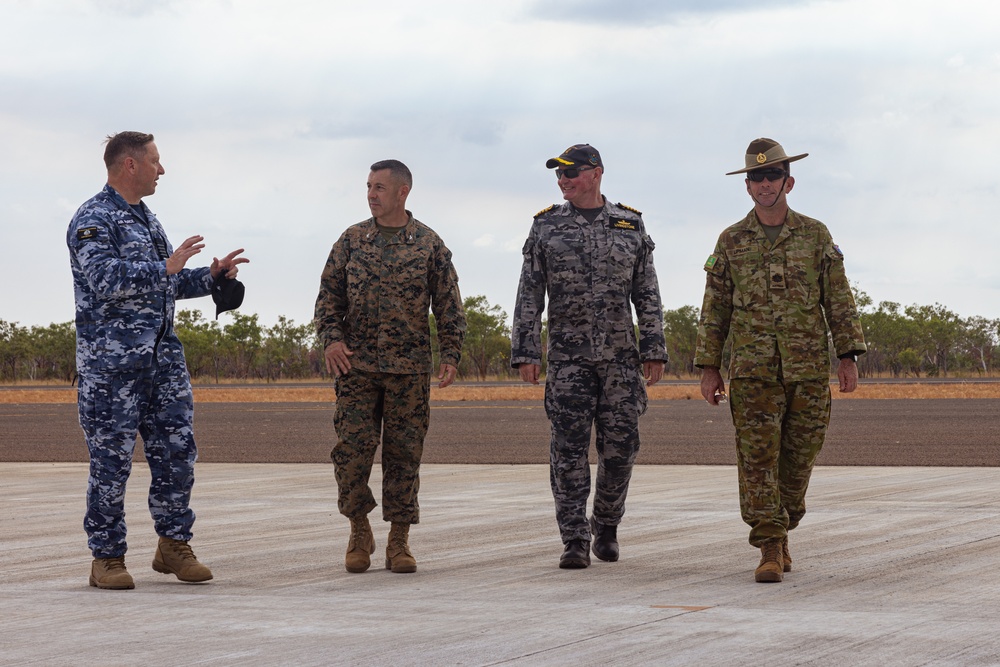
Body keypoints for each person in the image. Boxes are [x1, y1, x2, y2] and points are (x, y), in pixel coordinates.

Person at [67, 131, 248, 590]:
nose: (161, 170)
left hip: (163, 364)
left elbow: (163, 285)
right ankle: (106, 557)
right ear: (130, 165)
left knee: (177, 455)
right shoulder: (93, 219)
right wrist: (164, 268)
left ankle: (173, 545)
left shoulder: (147, 220)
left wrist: (208, 276)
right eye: (155, 161)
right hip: (113, 370)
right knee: (111, 464)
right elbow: (106, 280)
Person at [695, 138, 867, 583]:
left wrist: (846, 356)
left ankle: (785, 523)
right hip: (752, 372)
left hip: (807, 368)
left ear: (788, 181)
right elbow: (715, 307)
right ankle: (770, 544)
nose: (765, 183)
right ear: (747, 187)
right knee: (757, 460)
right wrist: (709, 367)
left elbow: (839, 299)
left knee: (799, 457)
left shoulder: (815, 235)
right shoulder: (731, 240)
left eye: (772, 175)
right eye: (756, 177)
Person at [512, 144, 667, 569]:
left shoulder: (629, 224)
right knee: (568, 450)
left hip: (620, 360)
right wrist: (526, 350)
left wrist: (654, 347)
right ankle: (574, 538)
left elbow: (646, 293)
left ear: (596, 173)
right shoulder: (545, 227)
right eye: (558, 174)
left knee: (622, 448)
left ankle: (607, 524)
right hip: (568, 361)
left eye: (571, 173)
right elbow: (530, 292)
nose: (563, 180)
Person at [315, 159, 466, 575]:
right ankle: (359, 530)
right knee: (351, 453)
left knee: (405, 457)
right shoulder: (351, 240)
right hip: (356, 368)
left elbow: (449, 305)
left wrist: (450, 354)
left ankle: (399, 541)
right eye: (368, 186)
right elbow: (328, 297)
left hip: (409, 370)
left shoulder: (428, 244)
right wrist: (331, 339)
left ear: (403, 192)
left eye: (379, 187)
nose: (371, 194)